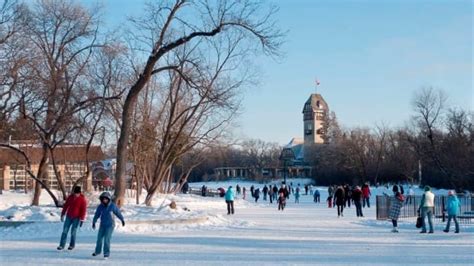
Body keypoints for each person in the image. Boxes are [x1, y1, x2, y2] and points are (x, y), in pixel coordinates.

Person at [92, 192, 125, 259]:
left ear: (109, 199)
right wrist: (94, 222)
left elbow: (118, 213)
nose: (104, 200)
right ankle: (97, 251)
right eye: (103, 199)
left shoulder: (112, 206)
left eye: (106, 199)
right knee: (99, 239)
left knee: (106, 239)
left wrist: (122, 220)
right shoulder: (100, 207)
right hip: (102, 225)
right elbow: (97, 215)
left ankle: (106, 253)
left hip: (110, 225)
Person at [57, 186, 87, 251]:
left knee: (73, 232)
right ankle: (61, 245)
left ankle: (72, 245)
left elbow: (83, 210)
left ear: (80, 193)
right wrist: (62, 214)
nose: (76, 195)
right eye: (75, 193)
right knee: (65, 230)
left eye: (77, 193)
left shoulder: (82, 199)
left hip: (77, 218)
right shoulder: (70, 197)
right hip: (69, 216)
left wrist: (82, 219)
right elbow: (66, 206)